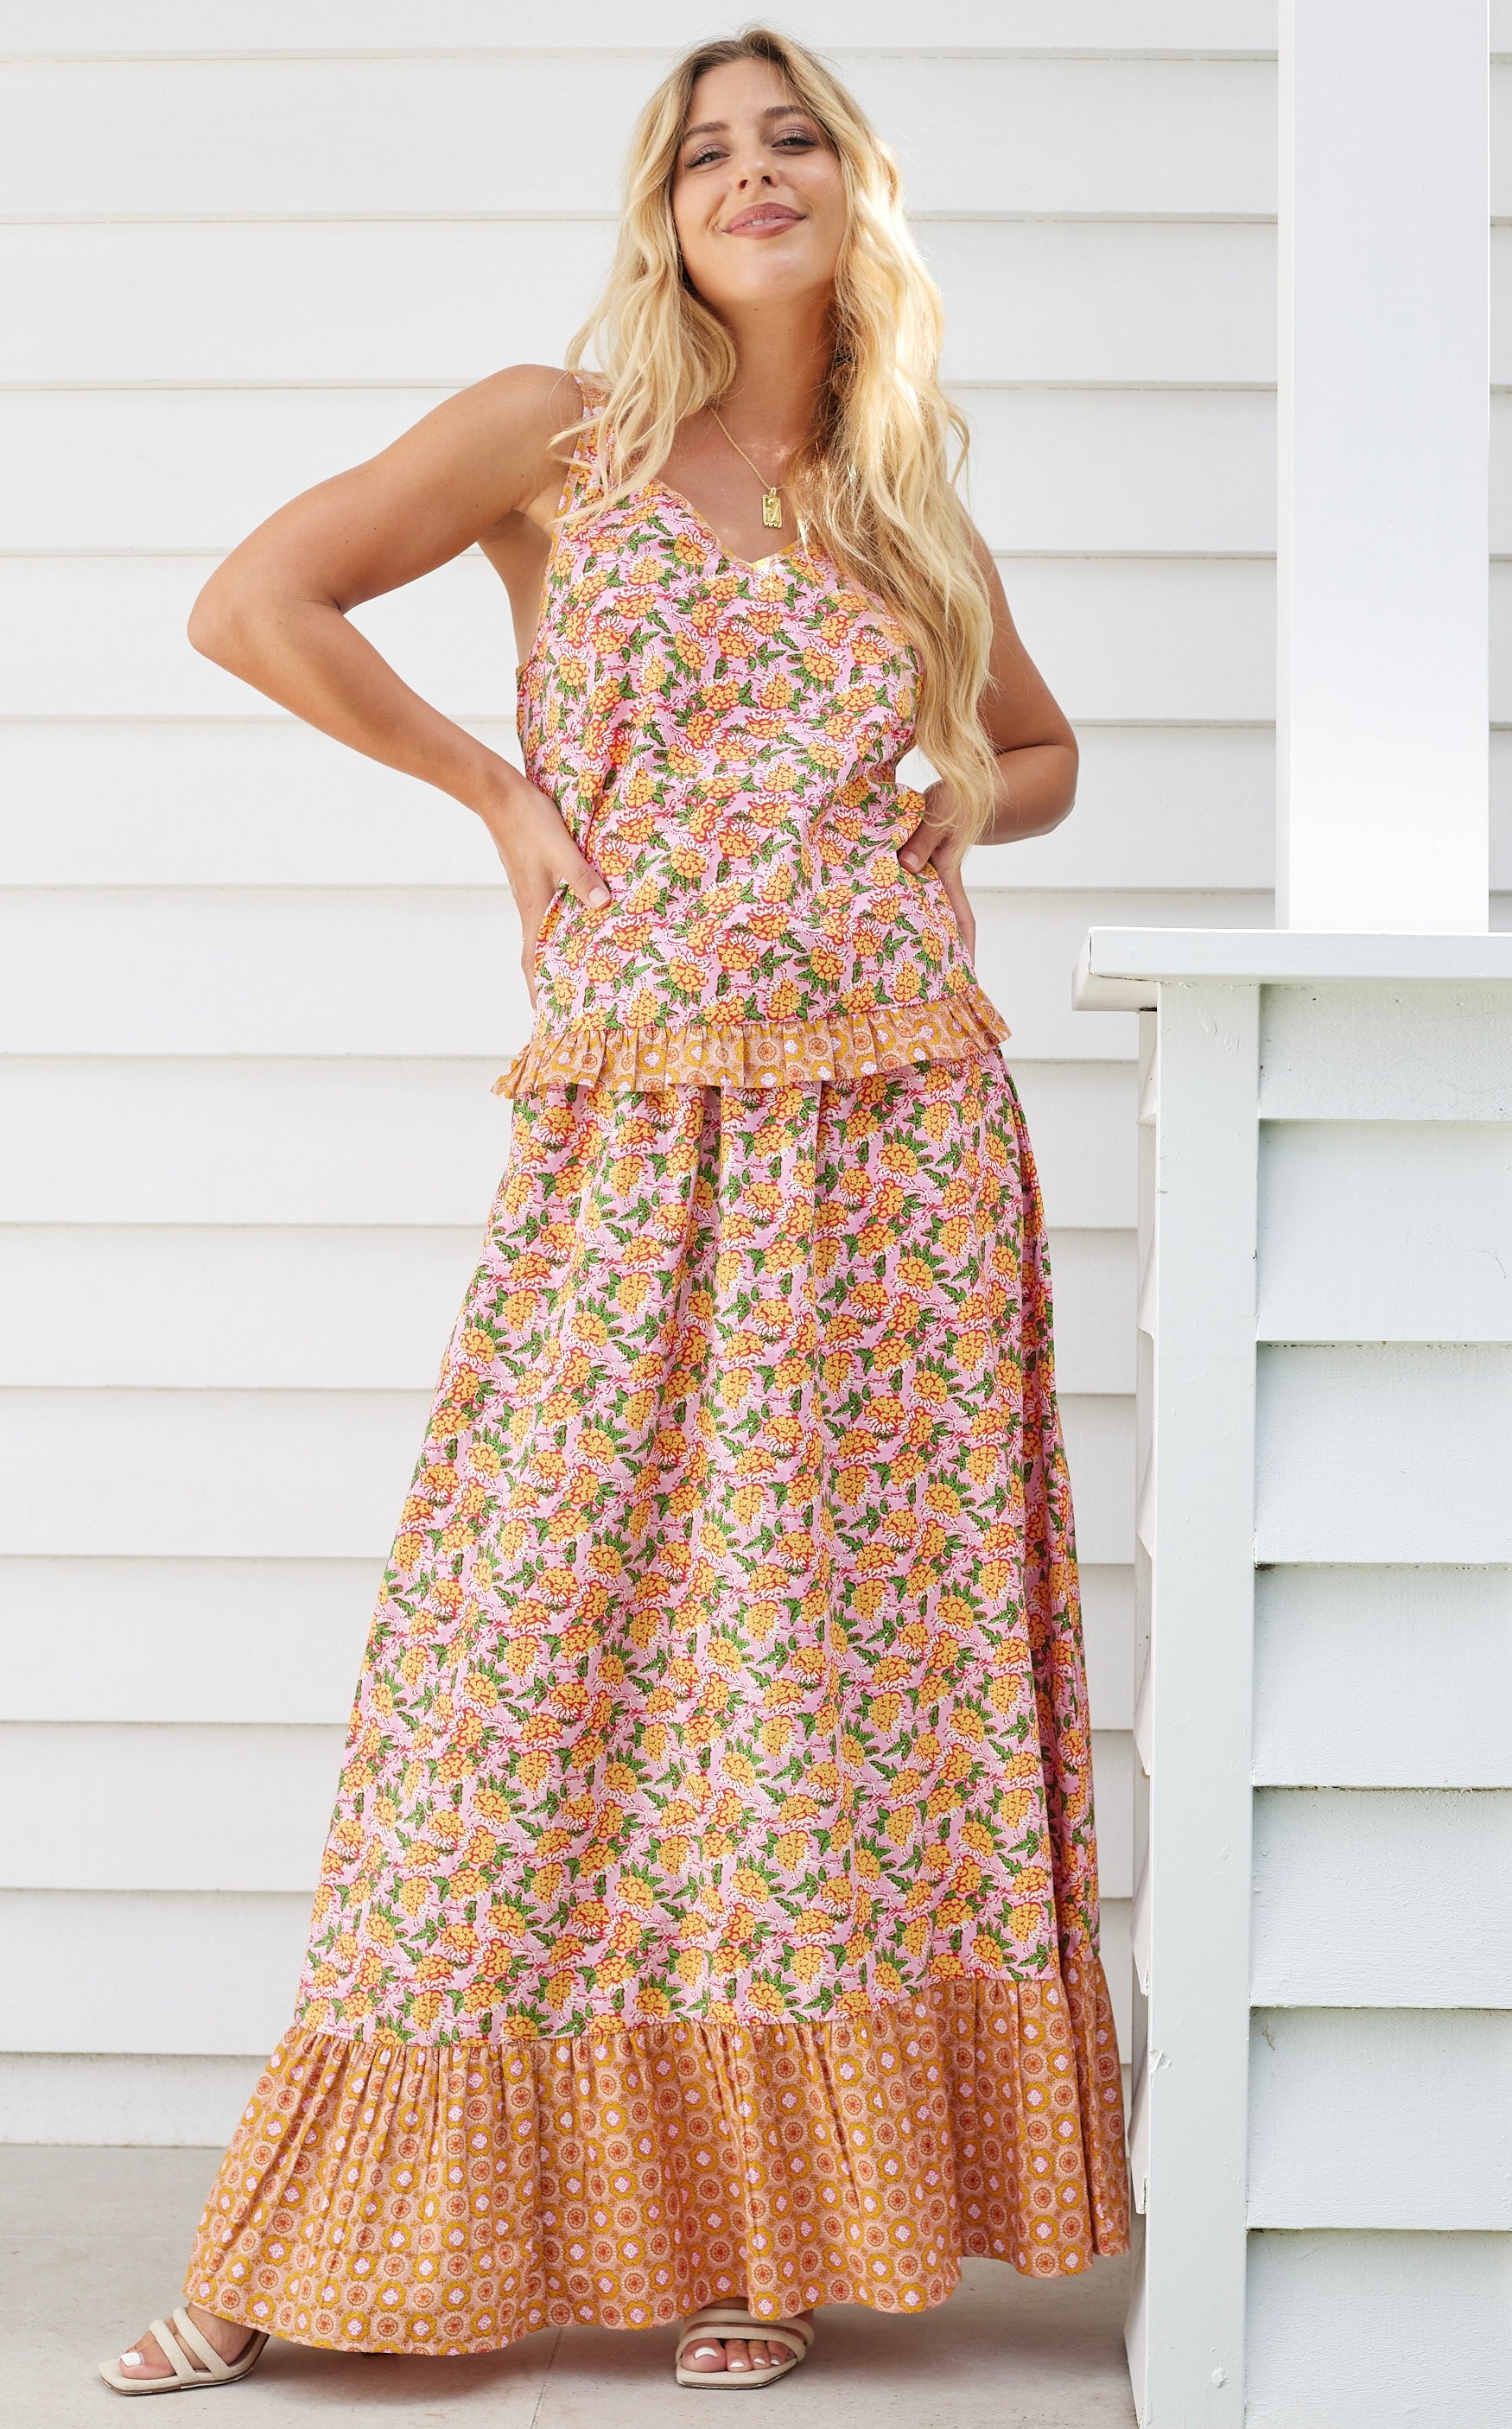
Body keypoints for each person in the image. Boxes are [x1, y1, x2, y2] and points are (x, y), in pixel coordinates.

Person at [99, 26, 1128, 2400]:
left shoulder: (894, 495)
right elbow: (255, 603)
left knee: (808, 1692)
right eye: (706, 152)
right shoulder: (545, 430)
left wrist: (953, 781)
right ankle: (292, 2248)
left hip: (895, 1153)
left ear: (857, 195)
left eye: (793, 143)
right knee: (503, 1669)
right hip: (634, 1135)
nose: (749, 177)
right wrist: (487, 787)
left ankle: (756, 2232)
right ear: (658, 208)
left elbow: (1049, 750)